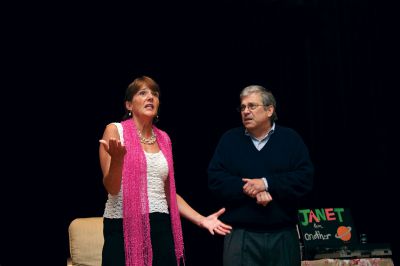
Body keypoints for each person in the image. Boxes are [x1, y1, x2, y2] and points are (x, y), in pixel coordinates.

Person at [99, 75, 232, 266]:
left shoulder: (164, 139)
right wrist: (118, 160)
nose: (150, 97)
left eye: (154, 94)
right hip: (122, 226)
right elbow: (111, 188)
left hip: (160, 227)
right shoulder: (115, 130)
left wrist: (201, 220)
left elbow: (168, 193)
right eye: (143, 93)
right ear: (128, 105)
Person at [208, 85, 314, 266]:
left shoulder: (290, 138)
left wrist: (266, 183)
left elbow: (304, 178)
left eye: (252, 106)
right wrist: (249, 189)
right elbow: (216, 179)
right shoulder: (229, 140)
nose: (246, 111)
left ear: (269, 110)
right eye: (242, 107)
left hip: (283, 236)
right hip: (240, 235)